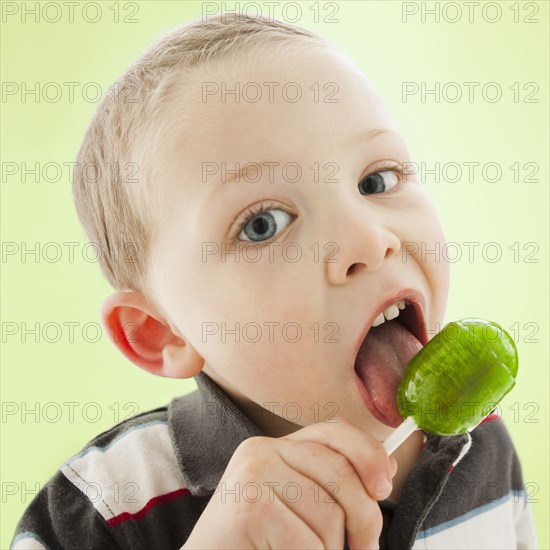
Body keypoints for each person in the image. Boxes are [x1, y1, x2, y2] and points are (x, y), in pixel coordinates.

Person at [11, 12, 538, 550]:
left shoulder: (483, 449)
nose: (367, 239)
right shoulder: (105, 503)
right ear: (159, 331)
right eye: (263, 225)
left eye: (375, 180)